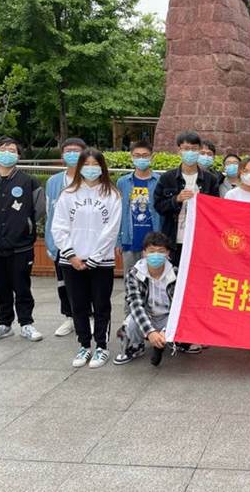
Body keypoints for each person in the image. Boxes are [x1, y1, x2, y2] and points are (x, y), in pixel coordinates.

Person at [52, 148, 122, 368]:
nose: (91, 169)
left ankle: (101, 346)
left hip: (101, 261)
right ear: (80, 167)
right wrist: (71, 255)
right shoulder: (68, 194)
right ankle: (84, 345)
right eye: (87, 164)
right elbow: (59, 227)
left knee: (101, 305)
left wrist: (95, 257)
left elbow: (111, 230)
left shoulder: (112, 194)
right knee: (78, 305)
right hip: (72, 261)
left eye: (95, 164)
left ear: (102, 167)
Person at [0, 136, 46, 344]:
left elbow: (39, 209)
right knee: (0, 287)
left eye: (12, 150)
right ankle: (4, 324)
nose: (7, 153)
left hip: (21, 244)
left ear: (18, 156)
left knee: (22, 286)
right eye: (3, 149)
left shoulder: (29, 182)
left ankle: (26, 323)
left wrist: (24, 224)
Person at [114, 232, 200, 366]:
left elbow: (179, 307)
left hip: (167, 316)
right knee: (131, 322)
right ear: (144, 253)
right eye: (152, 251)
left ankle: (177, 341)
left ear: (168, 253)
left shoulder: (176, 273)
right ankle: (136, 346)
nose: (156, 255)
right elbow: (135, 305)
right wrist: (150, 332)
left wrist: (167, 330)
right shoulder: (134, 274)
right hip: (148, 315)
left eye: (161, 251)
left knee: (187, 316)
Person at [153, 131, 219, 266]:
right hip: (174, 240)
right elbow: (158, 206)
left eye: (194, 149)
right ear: (179, 150)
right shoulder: (167, 178)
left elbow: (216, 209)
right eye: (186, 149)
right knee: (174, 275)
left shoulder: (210, 180)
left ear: (199, 150)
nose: (190, 153)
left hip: (199, 239)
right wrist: (176, 199)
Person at [45, 137, 87, 337]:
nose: (72, 154)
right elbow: (49, 213)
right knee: (64, 283)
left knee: (87, 283)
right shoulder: (54, 182)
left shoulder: (91, 179)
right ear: (62, 155)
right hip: (62, 243)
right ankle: (69, 317)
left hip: (85, 242)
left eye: (76, 151)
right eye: (68, 151)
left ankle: (89, 316)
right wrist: (51, 243)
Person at [117, 140, 161, 287]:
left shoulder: (159, 181)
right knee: (131, 282)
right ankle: (132, 303)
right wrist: (118, 241)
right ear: (131, 157)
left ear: (152, 157)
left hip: (154, 241)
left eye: (145, 155)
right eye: (137, 155)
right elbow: (119, 213)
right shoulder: (123, 182)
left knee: (154, 283)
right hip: (130, 240)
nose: (141, 159)